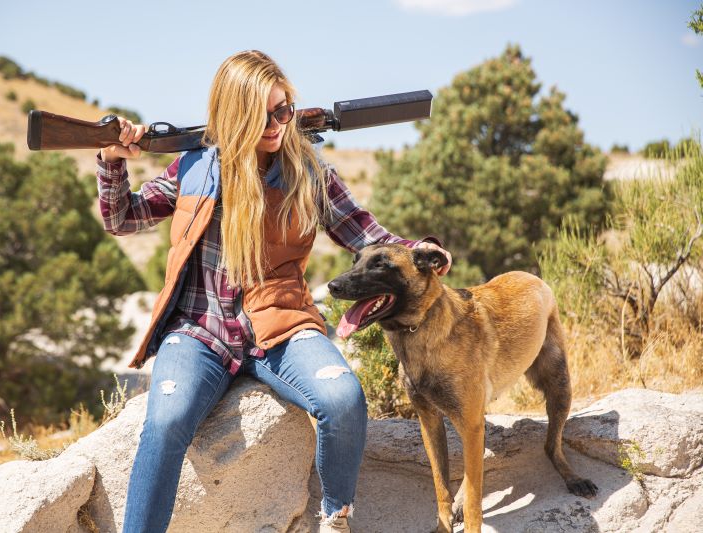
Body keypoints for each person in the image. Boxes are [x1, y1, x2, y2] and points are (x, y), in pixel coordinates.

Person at [96, 49, 452, 533]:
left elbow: (367, 235)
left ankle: (336, 519)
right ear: (232, 113)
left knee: (343, 399)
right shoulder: (195, 167)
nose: (277, 122)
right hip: (200, 331)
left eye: (283, 109)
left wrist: (420, 249)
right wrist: (112, 162)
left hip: (282, 324)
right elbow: (121, 218)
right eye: (261, 112)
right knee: (165, 421)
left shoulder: (310, 173)